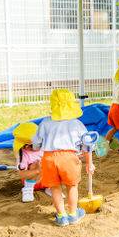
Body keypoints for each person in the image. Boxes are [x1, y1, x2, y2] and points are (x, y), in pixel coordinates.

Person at [31, 89, 95, 226]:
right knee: (72, 186)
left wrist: (36, 148)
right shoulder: (76, 124)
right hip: (69, 158)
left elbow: (36, 143)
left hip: (48, 159)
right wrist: (89, 163)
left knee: (55, 187)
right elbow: (87, 144)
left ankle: (61, 216)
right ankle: (72, 214)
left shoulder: (45, 122)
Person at [13, 122, 45, 203]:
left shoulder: (45, 147)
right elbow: (22, 175)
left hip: (48, 179)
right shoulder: (24, 156)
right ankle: (28, 190)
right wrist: (37, 170)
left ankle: (52, 188)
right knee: (35, 164)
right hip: (34, 181)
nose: (41, 145)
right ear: (26, 146)